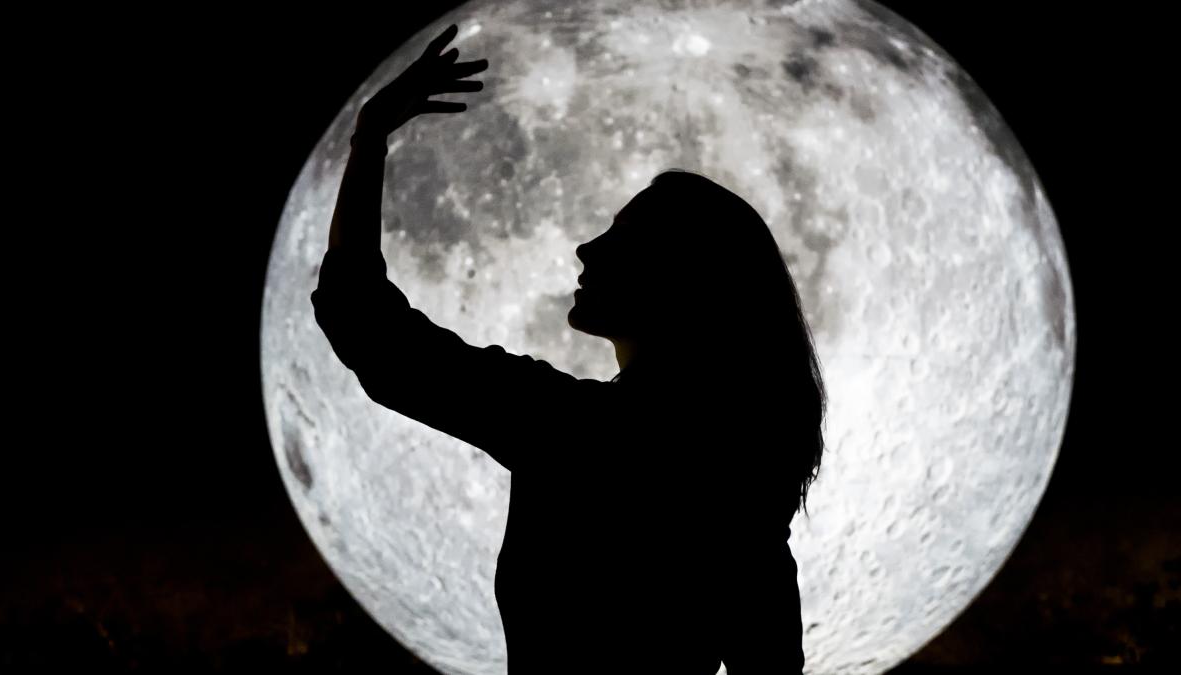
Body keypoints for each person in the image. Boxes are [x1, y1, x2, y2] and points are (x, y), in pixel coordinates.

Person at [311, 24, 826, 674]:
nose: (587, 249)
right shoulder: (743, 482)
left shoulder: (573, 429)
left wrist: (370, 137)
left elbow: (368, 327)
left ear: (684, 282)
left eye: (623, 237)